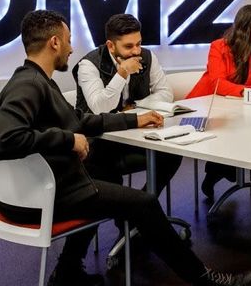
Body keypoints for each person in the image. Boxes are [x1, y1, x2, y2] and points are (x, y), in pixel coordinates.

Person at [0, 10, 251, 286]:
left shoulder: (37, 80)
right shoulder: (28, 85)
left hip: (36, 190)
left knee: (104, 175)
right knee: (143, 203)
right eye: (67, 40)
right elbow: (3, 141)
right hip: (38, 198)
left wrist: (133, 121)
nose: (71, 47)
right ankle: (207, 282)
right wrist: (69, 140)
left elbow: (81, 119)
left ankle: (67, 269)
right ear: (53, 42)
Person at [73, 13, 181, 198]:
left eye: (138, 43)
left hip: (134, 133)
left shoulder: (147, 56)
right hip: (98, 142)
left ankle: (144, 207)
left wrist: (135, 105)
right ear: (111, 45)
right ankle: (135, 211)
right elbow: (101, 108)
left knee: (171, 154)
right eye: (129, 46)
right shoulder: (88, 64)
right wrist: (122, 73)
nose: (136, 51)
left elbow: (165, 93)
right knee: (105, 169)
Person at [187, 4, 251, 200]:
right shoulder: (218, 46)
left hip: (235, 109)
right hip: (205, 108)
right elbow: (217, 83)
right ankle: (218, 171)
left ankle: (218, 171)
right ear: (245, 24)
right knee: (238, 133)